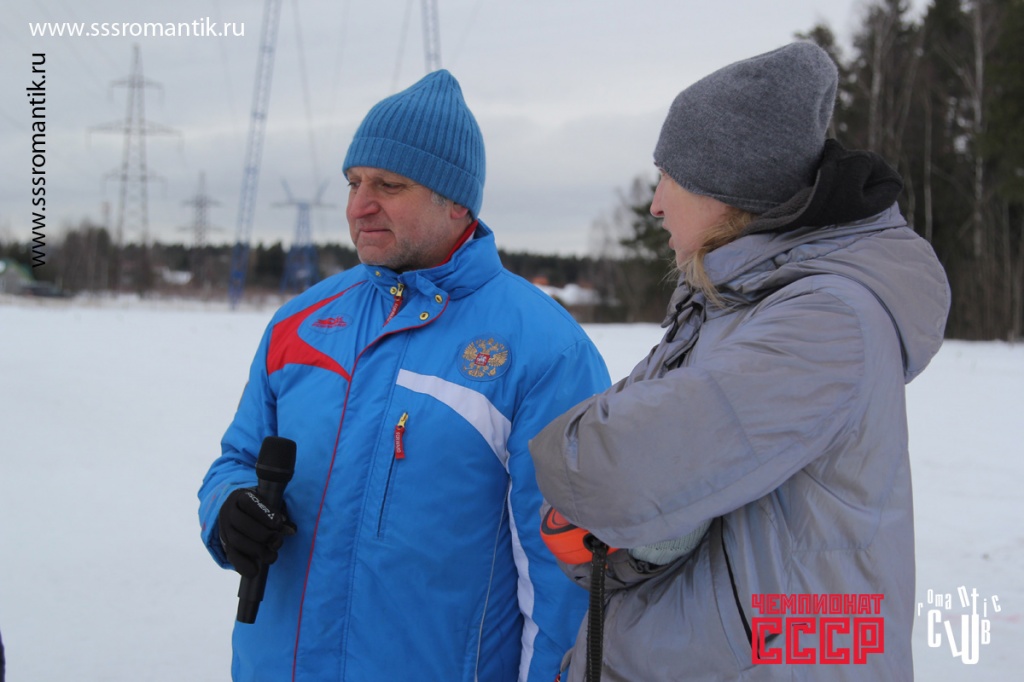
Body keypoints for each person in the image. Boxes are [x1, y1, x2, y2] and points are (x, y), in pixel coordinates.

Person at [529, 42, 950, 681]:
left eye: (669, 176)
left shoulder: (826, 319)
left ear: (725, 187)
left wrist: (569, 459)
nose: (656, 204)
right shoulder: (728, 303)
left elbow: (611, 470)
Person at [198, 69, 611, 681]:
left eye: (389, 185)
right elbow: (237, 458)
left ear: (456, 202)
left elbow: (567, 575)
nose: (359, 205)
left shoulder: (544, 350)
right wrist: (229, 507)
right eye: (354, 182)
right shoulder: (301, 323)